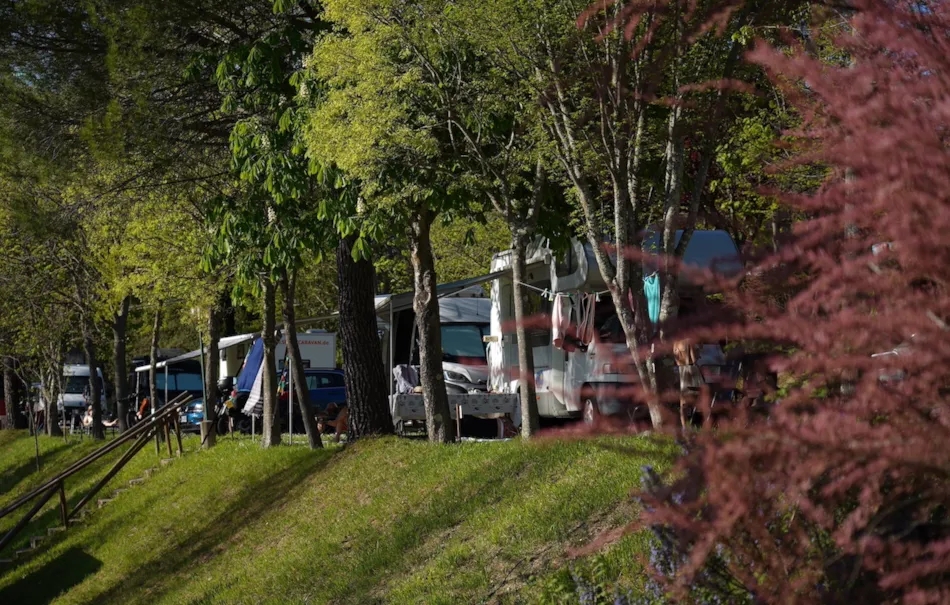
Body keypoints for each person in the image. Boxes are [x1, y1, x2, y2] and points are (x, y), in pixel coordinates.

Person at [673, 339, 702, 428]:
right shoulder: (689, 341)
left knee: (683, 403)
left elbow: (676, 360)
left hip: (681, 371)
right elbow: (693, 359)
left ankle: (684, 426)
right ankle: (699, 423)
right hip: (691, 372)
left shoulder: (675, 343)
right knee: (698, 397)